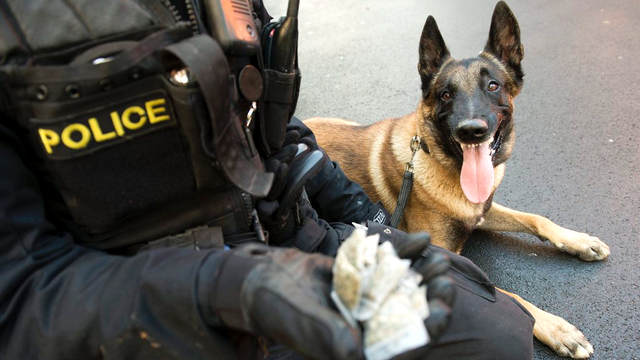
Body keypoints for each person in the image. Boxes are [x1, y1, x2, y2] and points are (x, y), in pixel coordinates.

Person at [0, 1, 534, 360]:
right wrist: (226, 287)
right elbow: (17, 299)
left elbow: (276, 126)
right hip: (151, 317)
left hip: (295, 239)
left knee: (500, 332)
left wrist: (368, 219)